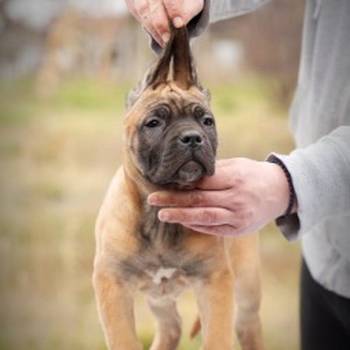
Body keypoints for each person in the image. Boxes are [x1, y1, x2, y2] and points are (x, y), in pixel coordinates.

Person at [125, 1, 350, 349]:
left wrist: (292, 182)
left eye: (204, 121)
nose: (190, 135)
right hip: (325, 252)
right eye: (156, 123)